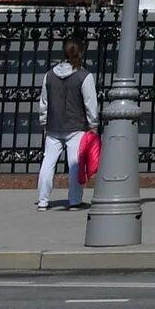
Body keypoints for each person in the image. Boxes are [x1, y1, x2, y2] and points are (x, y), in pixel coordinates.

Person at [39, 34, 99, 210]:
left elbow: (44, 102)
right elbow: (90, 102)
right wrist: (93, 124)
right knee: (74, 163)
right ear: (81, 53)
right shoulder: (84, 76)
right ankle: (74, 200)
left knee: (48, 162)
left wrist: (44, 122)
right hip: (76, 126)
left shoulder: (49, 75)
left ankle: (43, 201)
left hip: (53, 125)